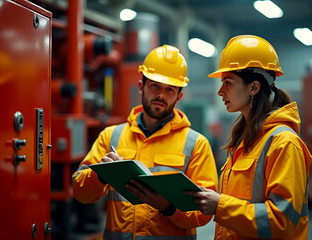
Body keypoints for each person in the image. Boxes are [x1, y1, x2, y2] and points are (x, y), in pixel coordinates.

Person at [72, 44, 218, 240]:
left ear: (179, 96)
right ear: (141, 86)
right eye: (155, 85)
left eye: (170, 90)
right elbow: (80, 193)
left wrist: (167, 207)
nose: (160, 95)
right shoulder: (111, 135)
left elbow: (203, 213)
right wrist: (100, 176)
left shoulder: (196, 144)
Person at [186, 35, 312, 239]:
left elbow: (282, 220)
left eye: (227, 83)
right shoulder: (246, 140)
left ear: (253, 87)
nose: (220, 91)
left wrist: (220, 205)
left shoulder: (284, 143)